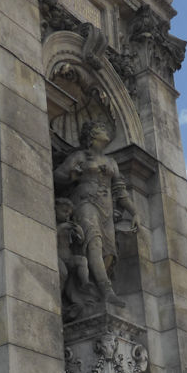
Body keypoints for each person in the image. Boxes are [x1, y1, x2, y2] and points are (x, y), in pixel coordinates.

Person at [53, 117, 138, 307]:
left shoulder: (112, 162)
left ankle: (95, 289)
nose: (106, 131)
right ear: (92, 135)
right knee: (94, 243)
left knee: (109, 253)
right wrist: (75, 174)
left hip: (107, 208)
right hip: (85, 202)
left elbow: (120, 191)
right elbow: (57, 175)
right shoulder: (80, 157)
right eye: (101, 128)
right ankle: (106, 291)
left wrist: (134, 212)